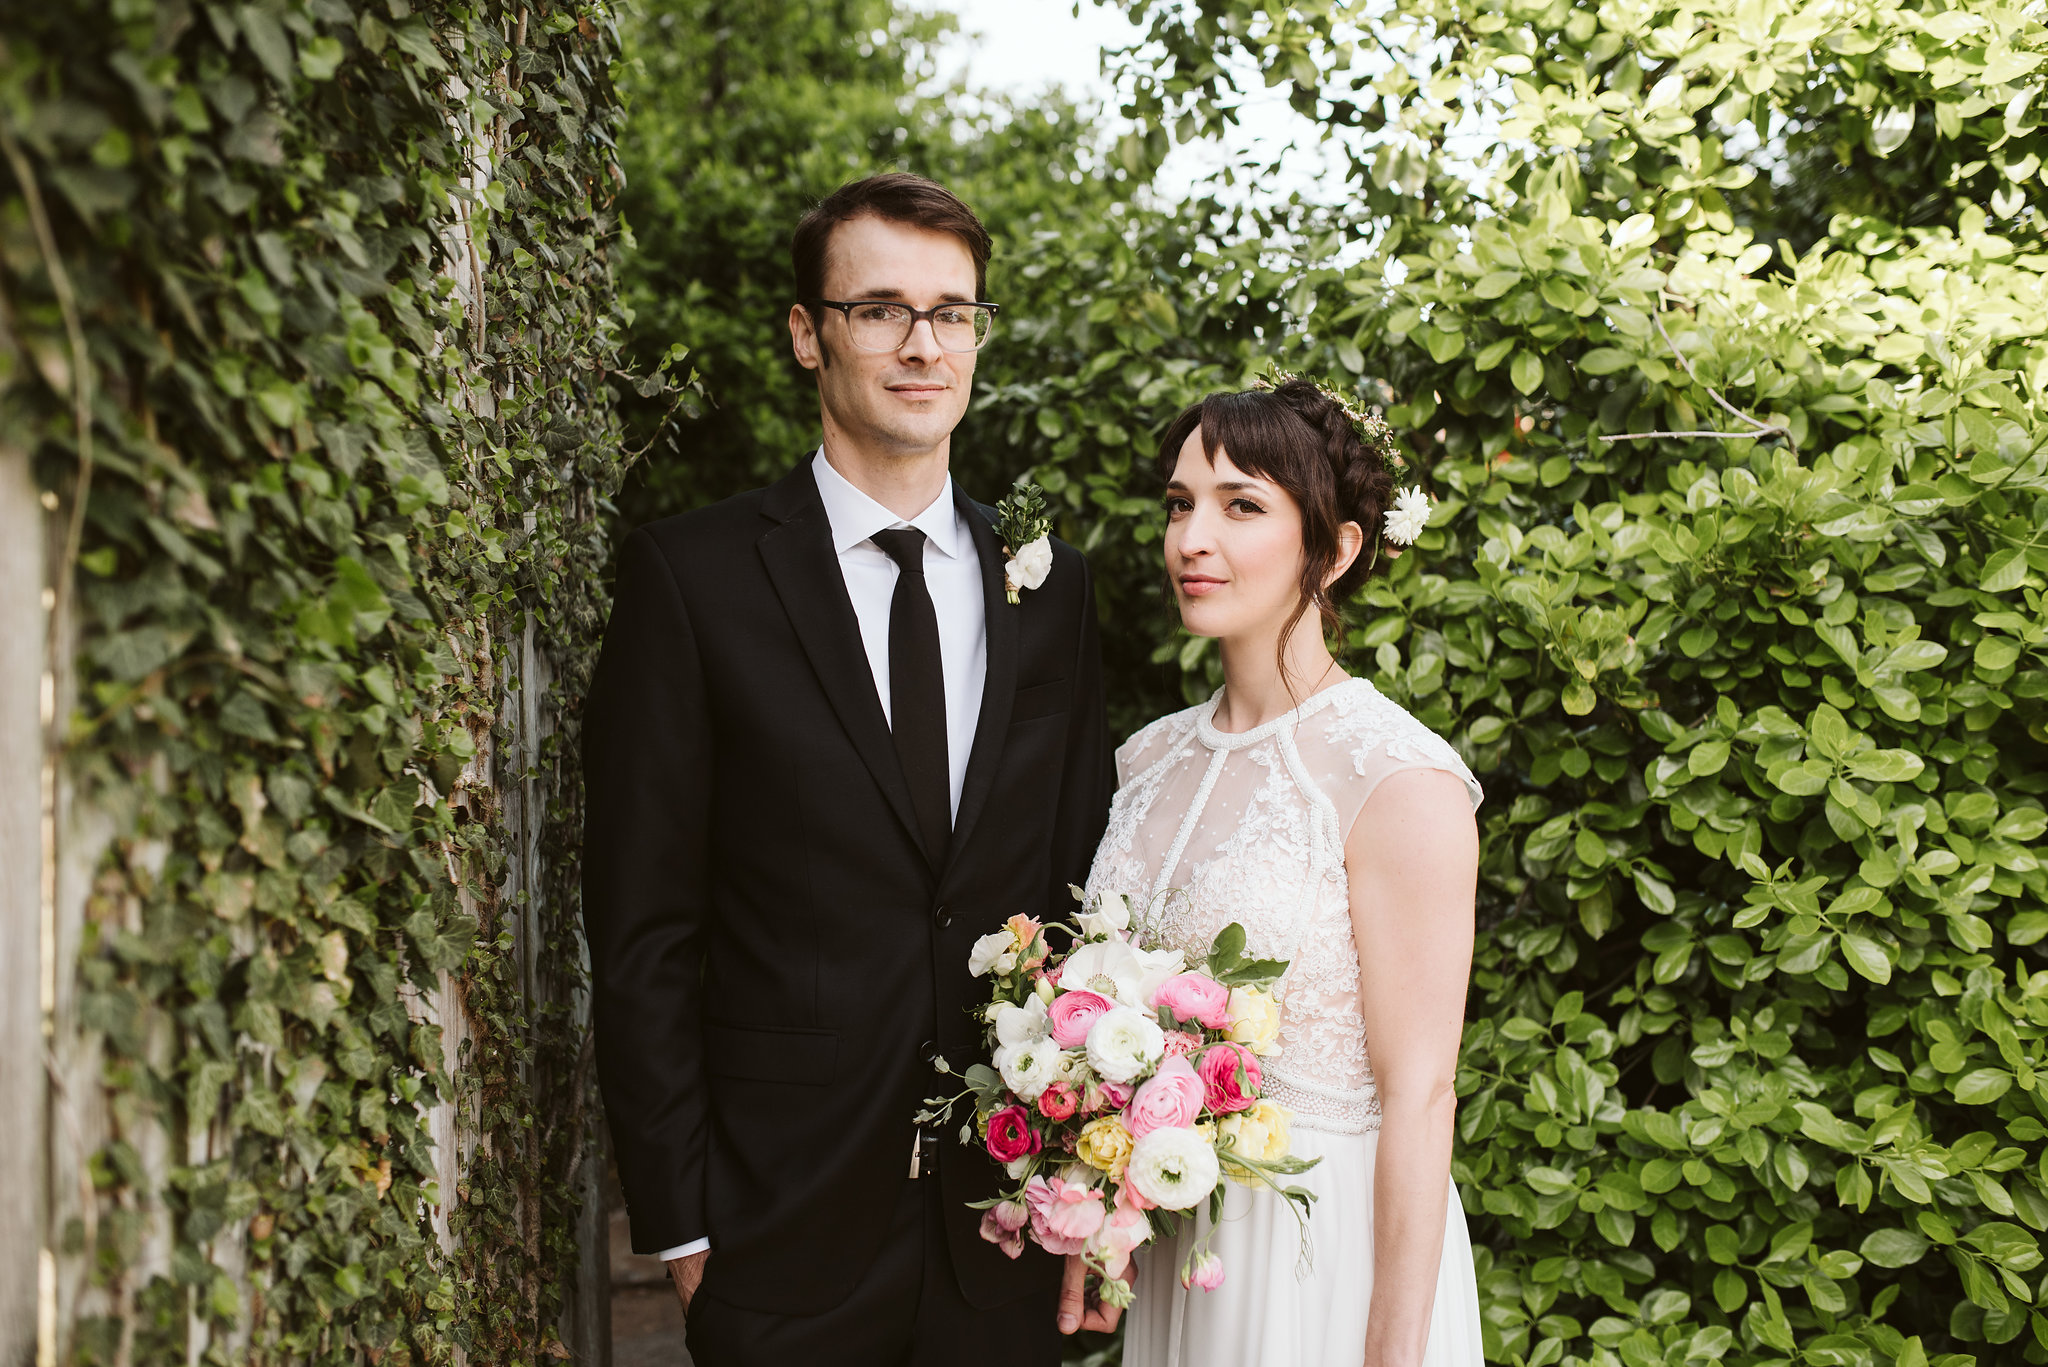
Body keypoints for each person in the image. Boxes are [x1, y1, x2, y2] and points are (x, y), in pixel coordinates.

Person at [581, 173, 1118, 1367]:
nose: (922, 344)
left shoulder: (1053, 586)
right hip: (778, 1232)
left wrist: (1084, 1184)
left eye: (952, 312)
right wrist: (680, 1222)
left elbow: (1083, 893)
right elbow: (640, 926)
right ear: (804, 334)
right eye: (878, 309)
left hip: (1006, 1228)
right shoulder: (692, 578)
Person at [1088, 379, 1486, 1366]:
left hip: (1323, 1264)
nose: (1191, 537)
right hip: (1186, 1256)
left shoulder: (1395, 776)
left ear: (1335, 548)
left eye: (1240, 504)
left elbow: (1421, 1093)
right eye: (1180, 503)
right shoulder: (1146, 759)